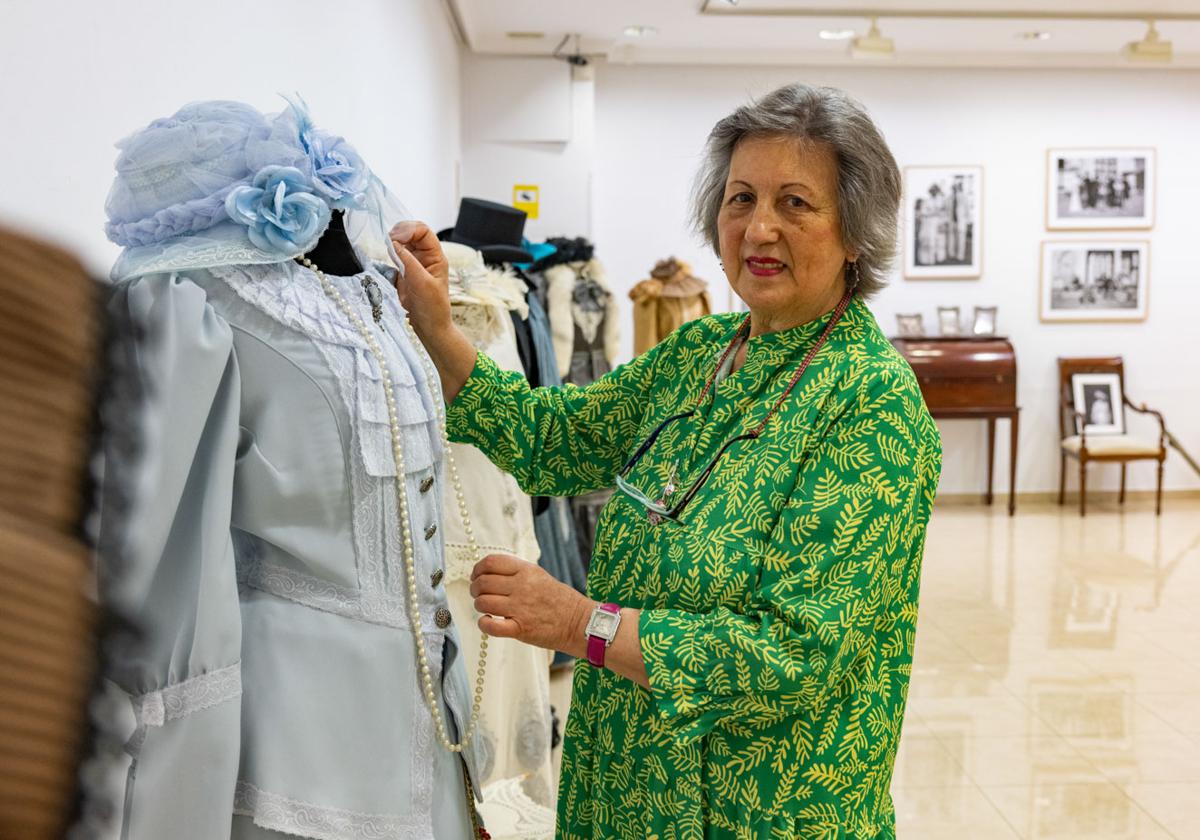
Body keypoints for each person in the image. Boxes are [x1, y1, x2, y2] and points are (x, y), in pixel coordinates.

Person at [391, 83, 942, 838]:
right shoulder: (701, 354)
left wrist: (580, 623)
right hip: (626, 791)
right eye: (741, 197)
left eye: (796, 203)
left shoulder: (872, 405)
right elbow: (554, 439)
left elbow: (793, 653)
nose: (758, 229)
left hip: (759, 811)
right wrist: (436, 324)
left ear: (856, 232)